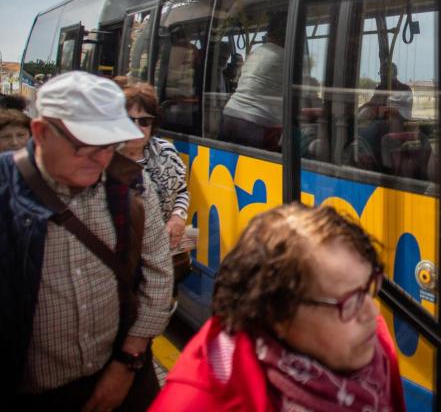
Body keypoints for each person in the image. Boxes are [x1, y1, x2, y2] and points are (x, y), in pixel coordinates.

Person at [1, 71, 173, 411]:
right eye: (84, 145)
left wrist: (128, 363)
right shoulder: (6, 191)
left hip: (122, 379)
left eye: (109, 145)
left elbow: (159, 275)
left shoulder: (130, 185)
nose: (100, 158)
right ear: (41, 132)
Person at [150, 203, 406, 412]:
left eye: (369, 288)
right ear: (279, 315)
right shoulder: (199, 401)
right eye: (350, 301)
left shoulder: (373, 347)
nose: (372, 313)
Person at [118, 82, 189, 249]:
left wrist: (178, 217)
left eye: (144, 121)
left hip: (161, 253)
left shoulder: (166, 152)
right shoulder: (102, 157)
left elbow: (181, 191)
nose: (137, 128)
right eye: (129, 120)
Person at [219, 13, 285, 150]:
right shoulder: (286, 56)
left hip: (230, 114)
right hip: (255, 123)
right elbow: (304, 93)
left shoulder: (256, 52)